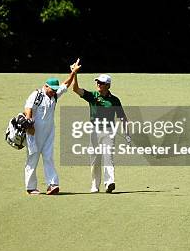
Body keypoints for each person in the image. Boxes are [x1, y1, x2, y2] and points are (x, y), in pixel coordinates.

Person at [23, 59, 81, 195]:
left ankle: (52, 184)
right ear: (46, 86)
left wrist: (73, 72)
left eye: (55, 90)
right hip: (34, 132)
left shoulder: (54, 95)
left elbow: (66, 84)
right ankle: (31, 187)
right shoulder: (36, 94)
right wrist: (30, 124)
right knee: (33, 158)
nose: (54, 92)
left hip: (49, 132)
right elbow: (28, 108)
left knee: (49, 157)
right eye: (51, 90)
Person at [71, 71, 130, 193]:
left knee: (108, 157)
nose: (98, 84)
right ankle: (95, 185)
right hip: (94, 131)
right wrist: (74, 74)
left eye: (102, 83)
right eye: (98, 82)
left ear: (108, 85)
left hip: (109, 132)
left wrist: (127, 133)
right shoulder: (92, 95)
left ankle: (109, 183)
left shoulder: (114, 100)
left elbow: (123, 117)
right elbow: (75, 89)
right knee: (95, 159)